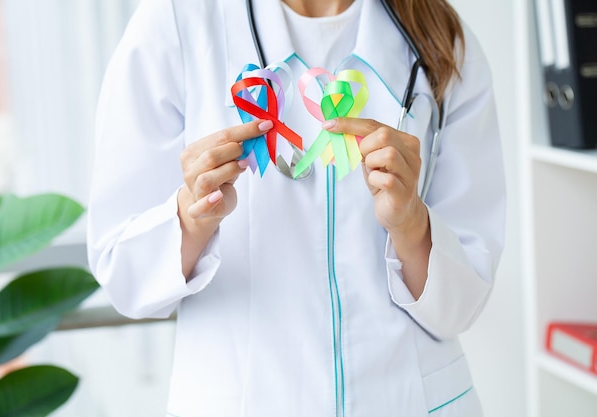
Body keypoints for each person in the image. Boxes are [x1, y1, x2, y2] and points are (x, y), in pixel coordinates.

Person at [87, 0, 505, 415]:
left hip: (407, 400)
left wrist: (412, 225)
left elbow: (462, 300)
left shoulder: (439, 35)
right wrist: (191, 218)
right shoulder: (178, 21)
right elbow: (122, 269)